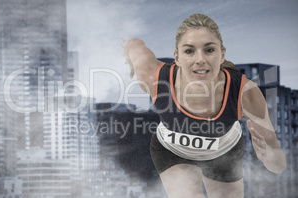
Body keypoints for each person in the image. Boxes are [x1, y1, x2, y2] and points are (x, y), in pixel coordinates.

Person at [121, 13, 286, 198]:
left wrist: (270, 158)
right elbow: (136, 47)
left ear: (222, 54)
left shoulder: (246, 92)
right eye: (189, 51)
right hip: (171, 151)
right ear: (177, 57)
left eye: (209, 50)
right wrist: (129, 51)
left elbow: (279, 164)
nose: (200, 59)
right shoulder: (153, 78)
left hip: (224, 153)